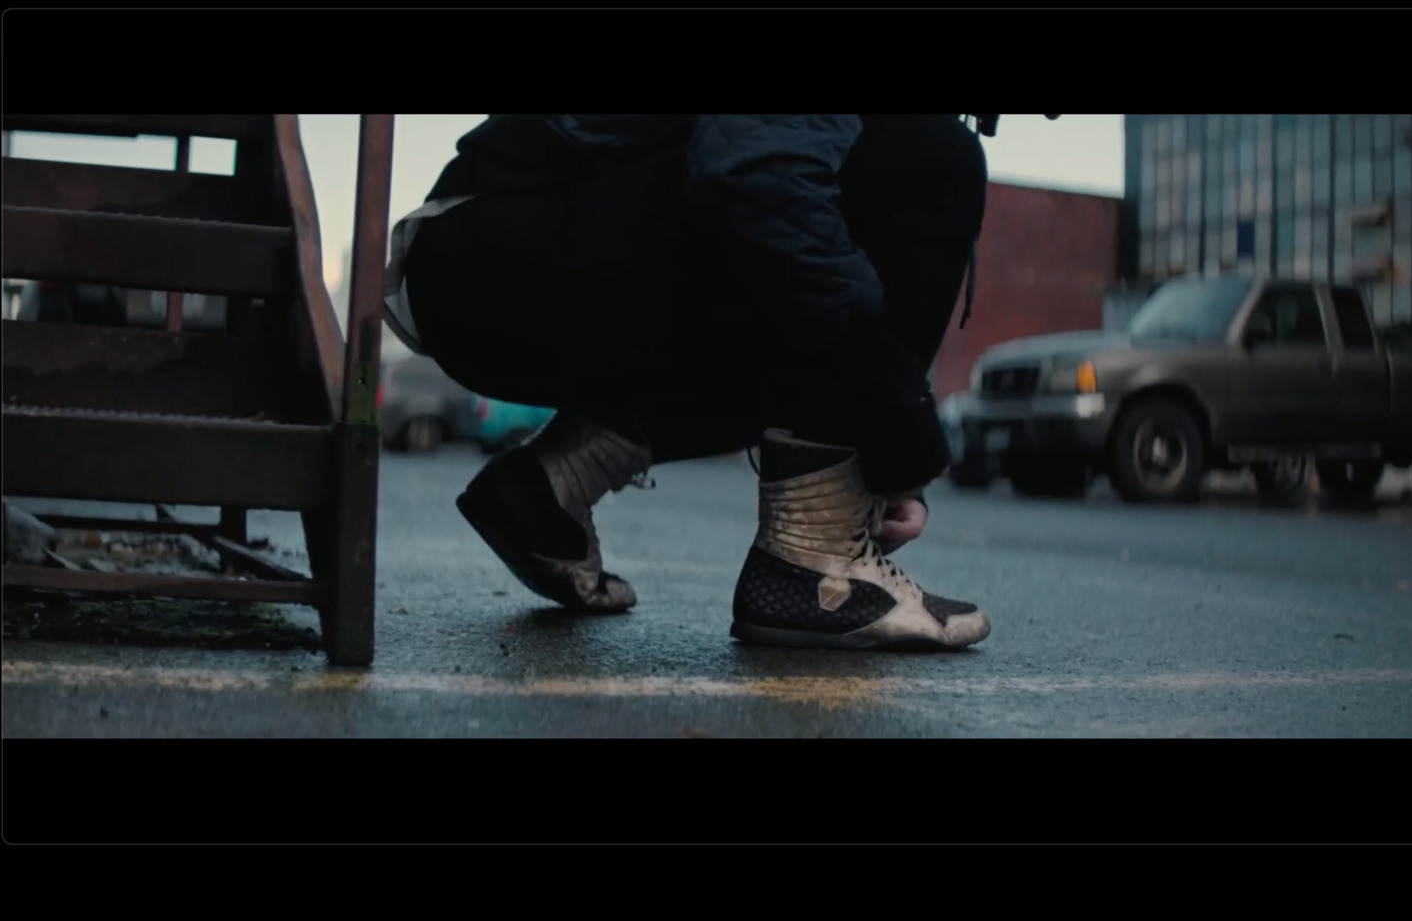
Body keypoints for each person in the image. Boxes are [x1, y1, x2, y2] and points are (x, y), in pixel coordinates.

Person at [384, 114, 1025, 651]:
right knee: (931, 160)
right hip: (499, 246)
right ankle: (820, 566)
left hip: (500, 248)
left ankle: (553, 484)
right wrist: (894, 423)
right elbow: (759, 180)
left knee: (809, 252)